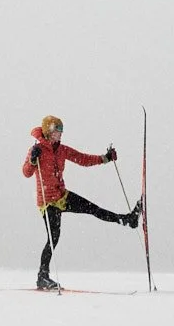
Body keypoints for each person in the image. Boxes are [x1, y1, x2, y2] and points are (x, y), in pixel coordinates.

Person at [23, 115, 141, 290]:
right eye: (57, 131)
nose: (60, 134)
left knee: (93, 209)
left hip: (62, 196)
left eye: (61, 131)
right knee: (53, 237)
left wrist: (106, 158)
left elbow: (83, 159)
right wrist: (33, 159)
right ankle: (42, 277)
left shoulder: (62, 150)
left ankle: (128, 220)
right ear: (48, 131)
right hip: (48, 202)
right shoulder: (37, 149)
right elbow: (26, 172)